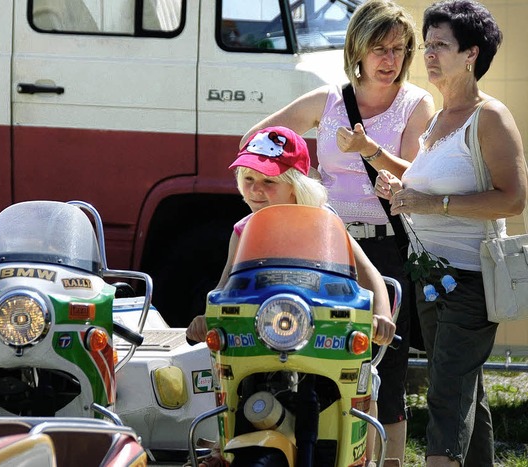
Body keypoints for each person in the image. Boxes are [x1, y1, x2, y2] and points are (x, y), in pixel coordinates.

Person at [239, 1, 435, 463]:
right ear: (358, 50)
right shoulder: (329, 100)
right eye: (380, 49)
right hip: (321, 248)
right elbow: (253, 144)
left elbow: (420, 177)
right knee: (307, 359)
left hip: (386, 246)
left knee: (386, 368)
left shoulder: (415, 102)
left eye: (400, 50)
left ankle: (386, 460)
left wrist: (375, 156)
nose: (390, 60)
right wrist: (295, 184)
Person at [186, 125, 397, 467]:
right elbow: (224, 287)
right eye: (248, 179)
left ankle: (361, 459)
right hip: (259, 334)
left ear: (296, 185)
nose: (256, 190)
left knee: (366, 379)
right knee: (216, 372)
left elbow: (369, 272)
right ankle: (221, 448)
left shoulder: (324, 221)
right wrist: (206, 315)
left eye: (269, 181)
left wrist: (382, 316)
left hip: (317, 333)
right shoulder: (243, 231)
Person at [375, 1, 527, 466]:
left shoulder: (490, 117)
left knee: (445, 395)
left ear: (471, 54)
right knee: (464, 391)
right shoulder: (441, 118)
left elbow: (513, 199)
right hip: (432, 276)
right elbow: (431, 184)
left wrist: (428, 203)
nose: (429, 54)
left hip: (470, 281)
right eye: (429, 44)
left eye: (441, 44)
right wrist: (399, 185)